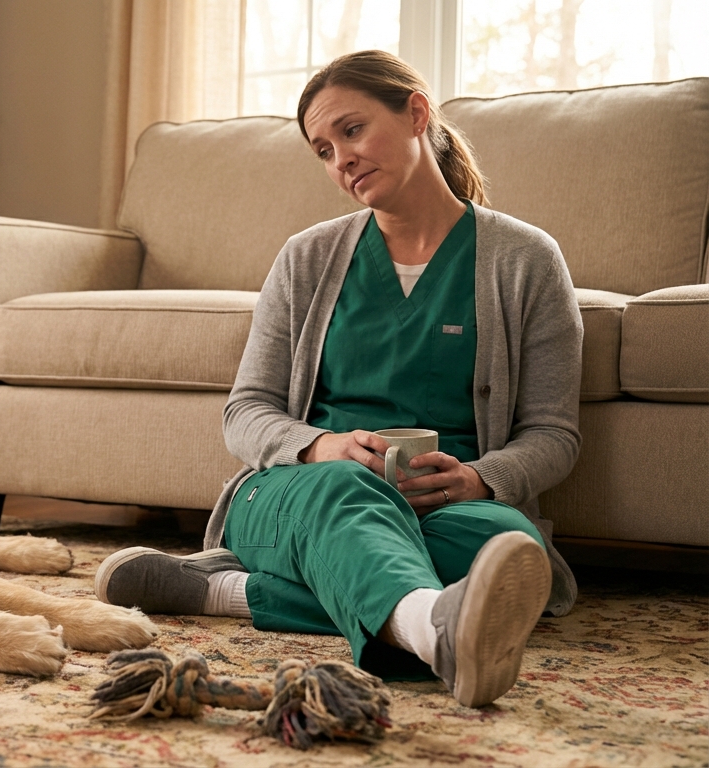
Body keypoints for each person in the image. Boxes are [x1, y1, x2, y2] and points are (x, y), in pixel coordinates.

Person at [93, 50, 583, 708]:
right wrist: (322, 447)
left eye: (351, 131)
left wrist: (480, 479)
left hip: (447, 509)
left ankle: (223, 590)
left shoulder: (524, 260)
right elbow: (247, 411)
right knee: (349, 489)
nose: (340, 160)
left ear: (416, 113)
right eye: (323, 150)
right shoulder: (308, 257)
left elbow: (553, 432)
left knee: (515, 551)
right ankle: (433, 629)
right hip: (303, 492)